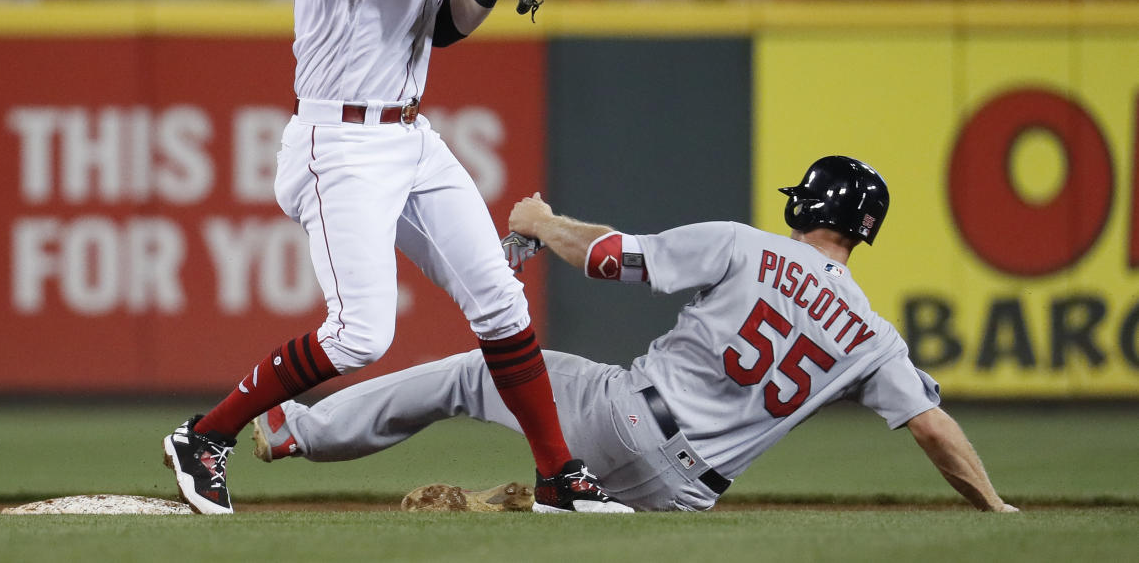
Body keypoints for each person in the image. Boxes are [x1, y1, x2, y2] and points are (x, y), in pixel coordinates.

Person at [161, 0, 629, 517]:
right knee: (358, 336)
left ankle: (559, 478)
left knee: (502, 305)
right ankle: (206, 435)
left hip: (410, 135)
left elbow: (440, 27)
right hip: (340, 141)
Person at [252, 156, 1020, 514]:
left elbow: (610, 258)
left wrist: (543, 224)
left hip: (623, 417)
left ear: (804, 207)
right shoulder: (873, 335)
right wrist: (993, 504)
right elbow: (933, 429)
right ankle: (546, 507)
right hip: (686, 494)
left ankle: (296, 430)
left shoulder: (748, 244)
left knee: (474, 374)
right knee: (581, 485)